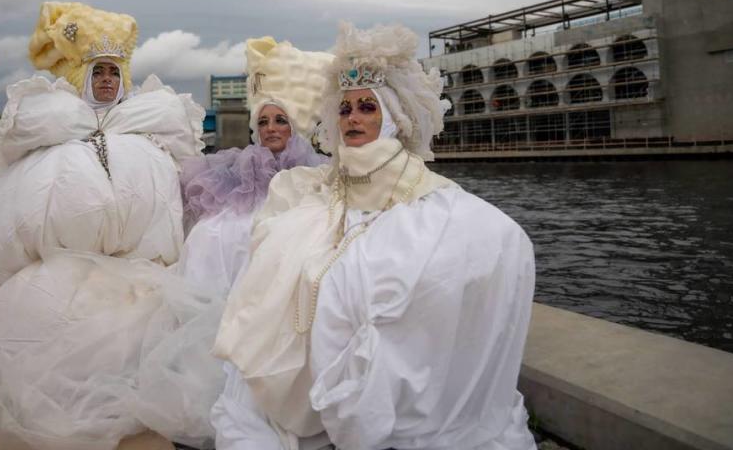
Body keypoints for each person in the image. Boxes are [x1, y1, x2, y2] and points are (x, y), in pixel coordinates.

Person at [212, 22, 537, 450]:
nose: (353, 119)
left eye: (367, 107)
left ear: (392, 117)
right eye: (345, 109)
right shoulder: (322, 182)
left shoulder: (416, 184)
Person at [0, 2, 215, 449]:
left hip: (137, 263)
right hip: (65, 261)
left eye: (114, 73)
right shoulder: (57, 121)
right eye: (99, 73)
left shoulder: (144, 123)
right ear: (85, 79)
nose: (108, 80)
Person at [178, 37, 331, 296]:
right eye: (263, 122)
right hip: (245, 221)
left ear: (293, 126)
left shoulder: (313, 168)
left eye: (280, 120)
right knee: (211, 234)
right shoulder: (243, 164)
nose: (270, 128)